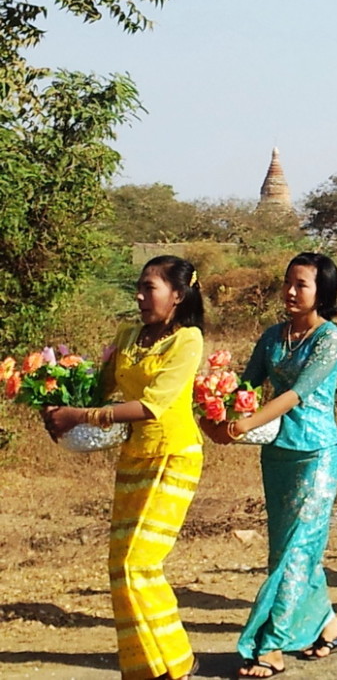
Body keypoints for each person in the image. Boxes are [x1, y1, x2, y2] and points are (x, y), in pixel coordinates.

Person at [43, 255, 204, 680]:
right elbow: (101, 388)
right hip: (134, 457)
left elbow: (152, 406)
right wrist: (56, 396)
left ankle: (179, 661)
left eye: (149, 287)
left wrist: (80, 416)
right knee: (120, 565)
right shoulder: (128, 335)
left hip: (174, 456)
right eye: (140, 286)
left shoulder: (187, 341)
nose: (139, 295)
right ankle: (144, 668)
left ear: (178, 295)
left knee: (140, 563)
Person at [201, 253, 337, 678]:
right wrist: (216, 414)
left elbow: (295, 395)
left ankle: (271, 642)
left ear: (322, 292)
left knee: (298, 548)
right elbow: (246, 385)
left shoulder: (330, 339)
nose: (290, 291)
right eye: (288, 282)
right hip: (277, 453)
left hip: (316, 454)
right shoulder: (272, 336)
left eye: (301, 284)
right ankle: (326, 624)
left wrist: (246, 422)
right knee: (289, 549)